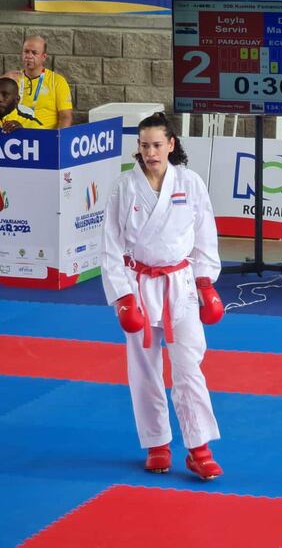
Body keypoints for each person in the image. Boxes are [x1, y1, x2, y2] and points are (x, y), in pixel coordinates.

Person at [101, 112, 225, 481]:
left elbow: (206, 236)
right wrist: (123, 297)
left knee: (189, 366)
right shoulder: (124, 187)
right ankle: (157, 443)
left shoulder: (190, 182)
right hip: (139, 285)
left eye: (157, 145)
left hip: (180, 285)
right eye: (144, 146)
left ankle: (199, 448)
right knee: (143, 369)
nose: (150, 152)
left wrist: (206, 283)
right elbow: (109, 246)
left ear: (171, 144)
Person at [0, 35, 73, 130]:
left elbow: (66, 117)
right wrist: (2, 80)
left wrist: (57, 140)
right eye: (26, 51)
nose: (29, 56)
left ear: (44, 57)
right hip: (12, 134)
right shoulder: (12, 79)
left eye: (34, 53)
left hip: (43, 137)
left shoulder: (57, 81)